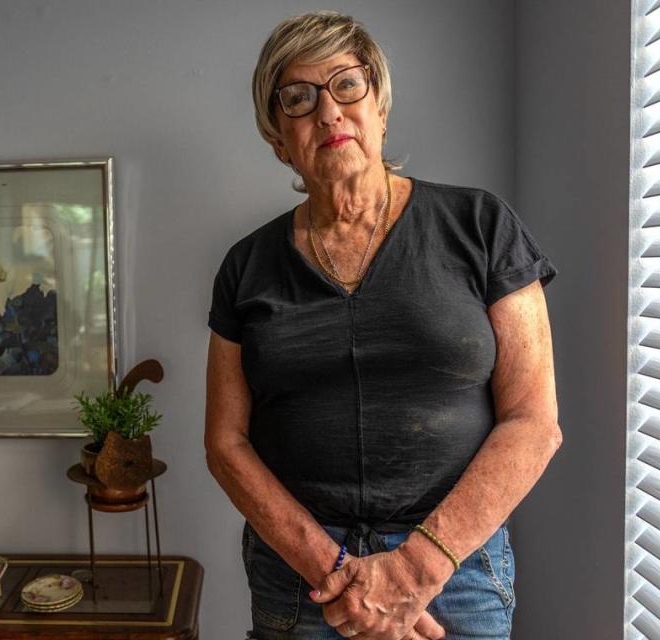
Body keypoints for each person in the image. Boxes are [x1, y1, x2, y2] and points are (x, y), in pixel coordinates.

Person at [204, 11, 561, 640]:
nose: (329, 111)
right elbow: (225, 444)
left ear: (381, 106)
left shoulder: (481, 226)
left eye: (347, 85)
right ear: (278, 138)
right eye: (299, 98)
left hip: (456, 575)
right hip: (303, 580)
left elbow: (534, 423)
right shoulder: (246, 266)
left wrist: (414, 570)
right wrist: (337, 573)